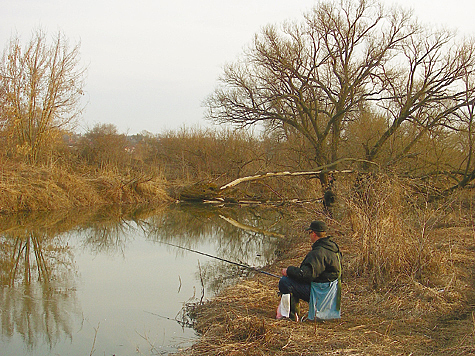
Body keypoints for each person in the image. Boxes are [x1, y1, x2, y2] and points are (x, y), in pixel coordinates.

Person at [277, 220, 342, 321]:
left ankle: (289, 316)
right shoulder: (333, 249)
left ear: (314, 233)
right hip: (331, 292)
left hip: (320, 293)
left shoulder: (319, 252)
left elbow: (305, 275)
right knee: (293, 278)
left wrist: (288, 271)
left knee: (285, 282)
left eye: (309, 233)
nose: (309, 235)